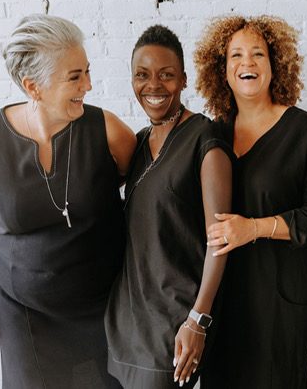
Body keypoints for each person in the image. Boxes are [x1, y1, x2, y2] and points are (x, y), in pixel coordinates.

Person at [0, 14, 136, 388]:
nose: (88, 85)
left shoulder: (108, 131)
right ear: (33, 86)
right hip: (22, 308)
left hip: (101, 305)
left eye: (87, 71)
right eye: (75, 77)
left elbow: (138, 192)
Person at [193, 15, 307, 388]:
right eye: (236, 55)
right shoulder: (213, 133)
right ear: (222, 70)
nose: (248, 62)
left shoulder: (302, 130)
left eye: (258, 54)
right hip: (224, 305)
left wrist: (254, 228)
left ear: (275, 65)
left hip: (279, 307)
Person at [104, 25, 232, 389]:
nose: (153, 86)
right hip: (126, 324)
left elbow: (220, 241)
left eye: (166, 75)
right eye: (142, 75)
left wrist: (198, 320)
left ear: (184, 79)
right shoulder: (138, 143)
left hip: (173, 325)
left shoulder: (205, 139)